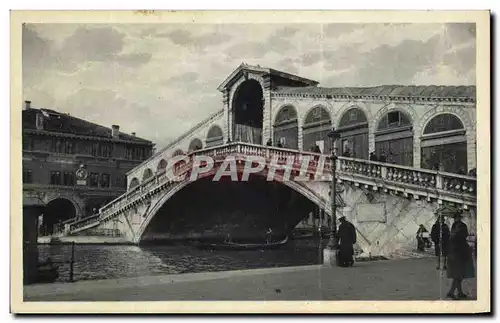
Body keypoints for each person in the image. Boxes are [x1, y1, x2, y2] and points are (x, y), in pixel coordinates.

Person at [446, 212, 475, 299]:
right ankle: (451, 292)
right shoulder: (462, 226)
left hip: (454, 252)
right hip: (460, 253)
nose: (457, 219)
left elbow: (453, 237)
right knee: (459, 274)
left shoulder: (454, 226)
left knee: (458, 274)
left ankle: (459, 292)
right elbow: (463, 236)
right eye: (457, 217)